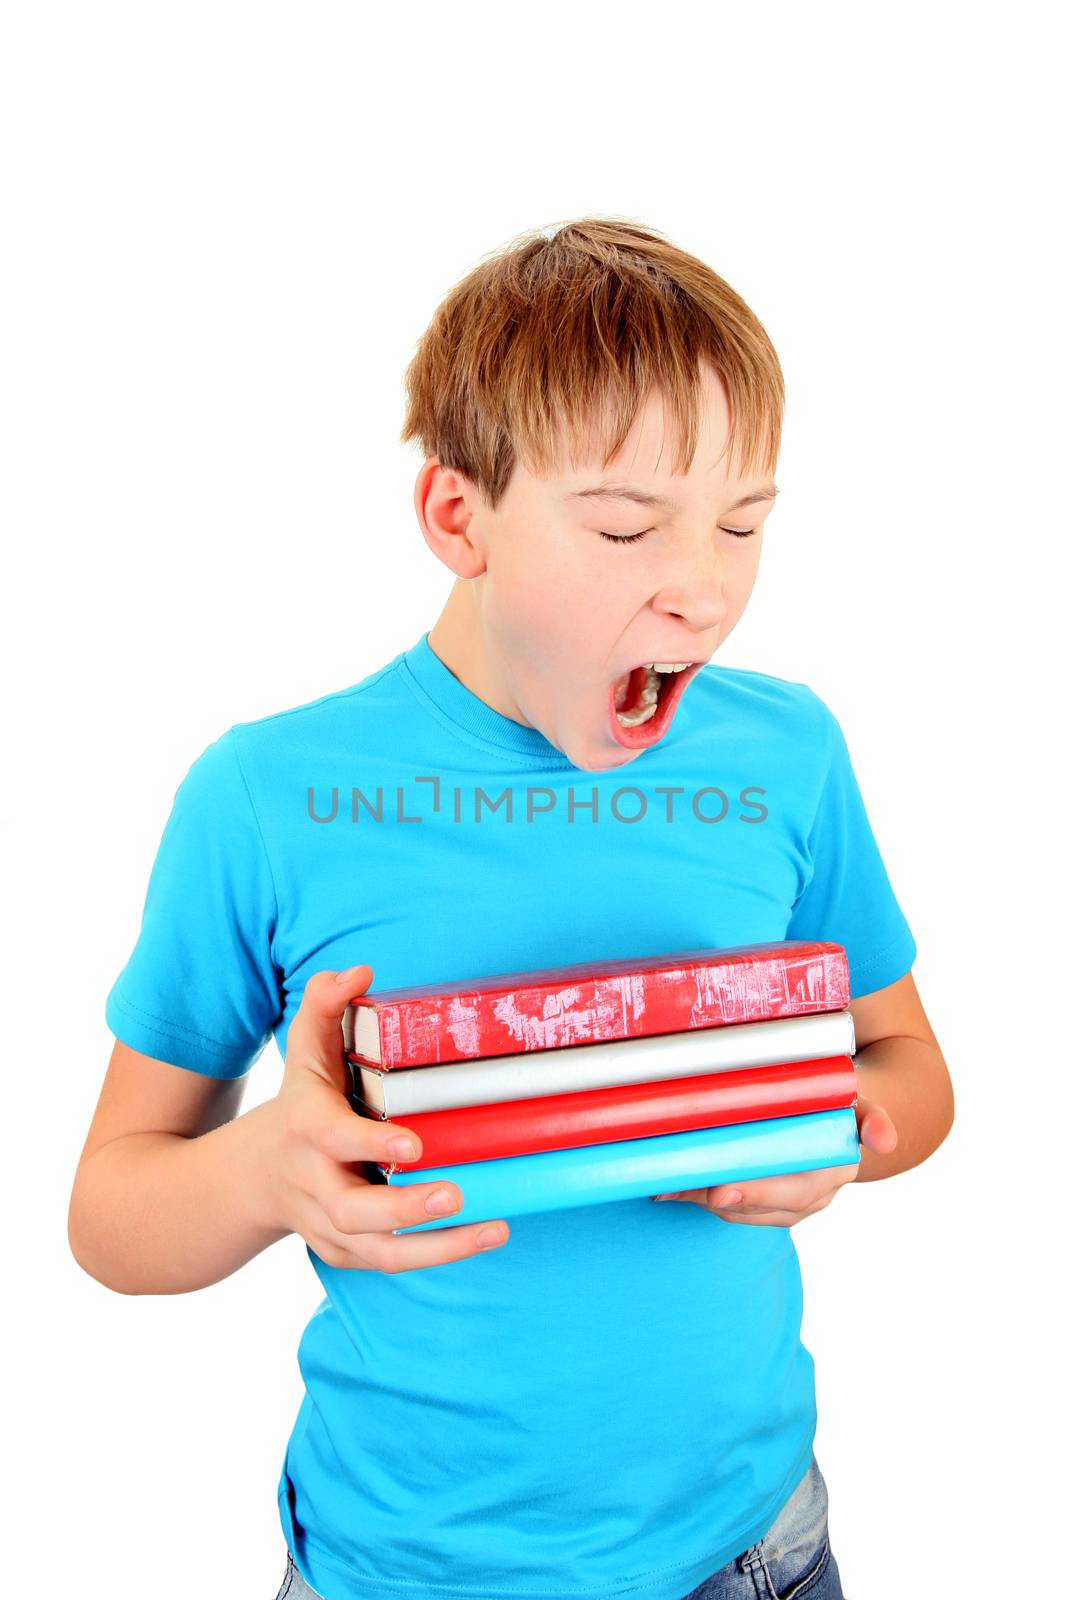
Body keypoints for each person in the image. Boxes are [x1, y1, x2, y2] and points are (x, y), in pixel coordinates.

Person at [68, 216, 954, 1600]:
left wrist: (841, 1141)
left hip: (760, 1552)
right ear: (456, 516)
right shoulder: (267, 796)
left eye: (744, 522)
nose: (705, 586)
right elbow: (108, 1214)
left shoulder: (788, 754)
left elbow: (914, 1074)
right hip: (407, 1571)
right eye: (624, 525)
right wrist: (266, 1172)